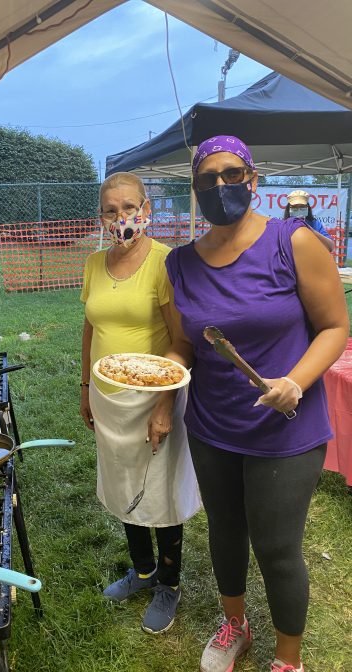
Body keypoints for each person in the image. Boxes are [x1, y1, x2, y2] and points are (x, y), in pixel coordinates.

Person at [154, 136, 348, 671]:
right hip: (213, 425)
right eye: (207, 179)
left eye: (231, 174)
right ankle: (235, 625)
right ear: (195, 191)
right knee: (225, 531)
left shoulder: (296, 242)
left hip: (285, 427)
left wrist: (296, 381)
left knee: (277, 547)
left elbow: (334, 327)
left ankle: (288, 660)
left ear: (253, 179)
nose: (221, 186)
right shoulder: (180, 263)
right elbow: (184, 343)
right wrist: (160, 389)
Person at [80, 172, 200, 635]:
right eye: (110, 211)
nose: (120, 219)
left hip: (153, 399)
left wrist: (166, 404)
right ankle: (144, 571)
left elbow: (182, 339)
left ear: (146, 209)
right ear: (101, 216)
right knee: (122, 486)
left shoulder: (165, 263)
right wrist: (85, 388)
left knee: (160, 492)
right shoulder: (93, 264)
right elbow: (90, 326)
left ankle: (169, 583)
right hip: (110, 399)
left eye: (129, 208)